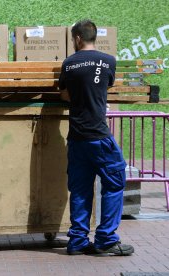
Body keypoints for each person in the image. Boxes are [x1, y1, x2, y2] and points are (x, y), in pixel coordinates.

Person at [58, 20, 134, 256]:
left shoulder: (68, 64)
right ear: (93, 37)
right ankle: (106, 239)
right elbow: (104, 86)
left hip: (77, 137)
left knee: (80, 189)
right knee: (114, 182)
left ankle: (78, 241)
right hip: (99, 135)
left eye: (73, 39)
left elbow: (63, 95)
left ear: (78, 38)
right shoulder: (108, 61)